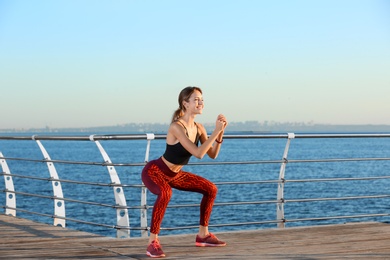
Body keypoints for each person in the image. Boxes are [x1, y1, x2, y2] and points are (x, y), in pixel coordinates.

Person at [141, 86, 228, 258]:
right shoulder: (176, 127)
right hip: (155, 172)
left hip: (175, 175)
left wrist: (220, 135)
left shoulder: (199, 128)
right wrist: (216, 131)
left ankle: (203, 235)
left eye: (201, 100)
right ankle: (152, 243)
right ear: (185, 103)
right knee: (165, 193)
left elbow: (212, 154)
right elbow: (198, 153)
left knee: (211, 189)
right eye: (196, 100)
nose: (200, 103)